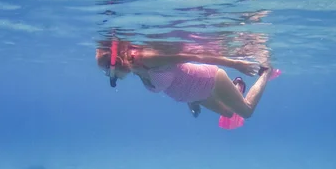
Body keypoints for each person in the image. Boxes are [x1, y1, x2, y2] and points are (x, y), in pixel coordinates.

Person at [96, 40, 278, 122]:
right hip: (196, 95)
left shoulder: (149, 57)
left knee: (245, 112)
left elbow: (194, 56)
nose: (109, 77)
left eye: (107, 72)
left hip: (208, 80)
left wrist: (235, 63)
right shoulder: (135, 69)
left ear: (115, 64)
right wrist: (190, 101)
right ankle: (237, 86)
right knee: (229, 114)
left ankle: (266, 73)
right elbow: (174, 81)